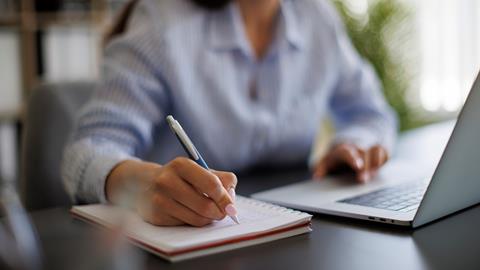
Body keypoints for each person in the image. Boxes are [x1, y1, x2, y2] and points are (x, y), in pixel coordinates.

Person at [61, 0, 397, 227]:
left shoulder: (317, 17)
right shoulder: (161, 22)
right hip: (186, 242)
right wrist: (139, 181)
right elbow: (87, 149)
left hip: (294, 234)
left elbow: (371, 114)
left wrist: (355, 145)